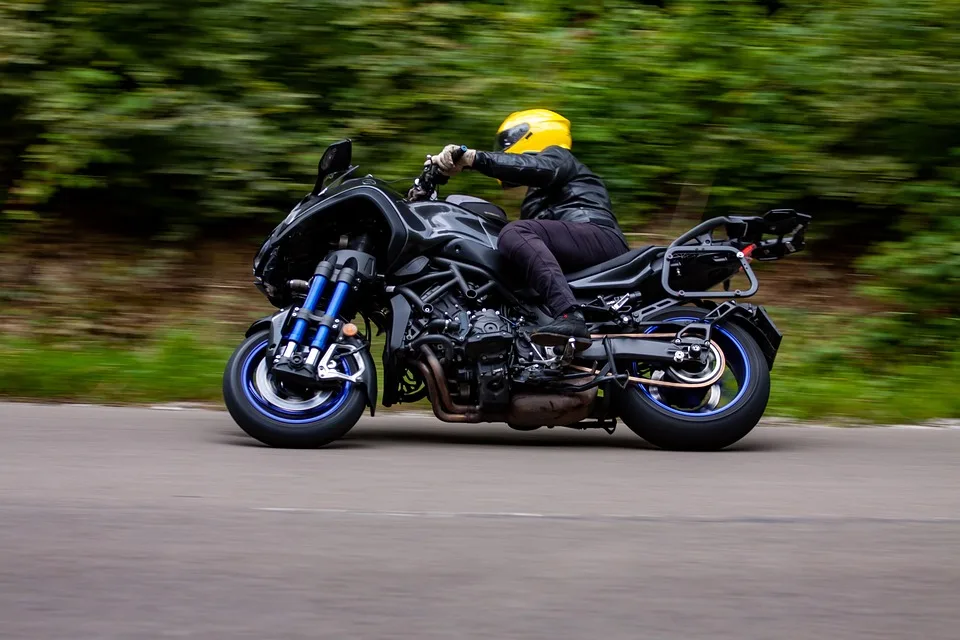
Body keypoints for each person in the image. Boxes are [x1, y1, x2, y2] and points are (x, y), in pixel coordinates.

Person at [428, 108, 629, 349]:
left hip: (598, 237)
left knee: (515, 233)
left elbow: (534, 167)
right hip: (580, 244)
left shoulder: (558, 158)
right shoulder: (538, 193)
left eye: (506, 142)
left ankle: (569, 316)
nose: (503, 148)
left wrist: (473, 158)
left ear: (532, 134)